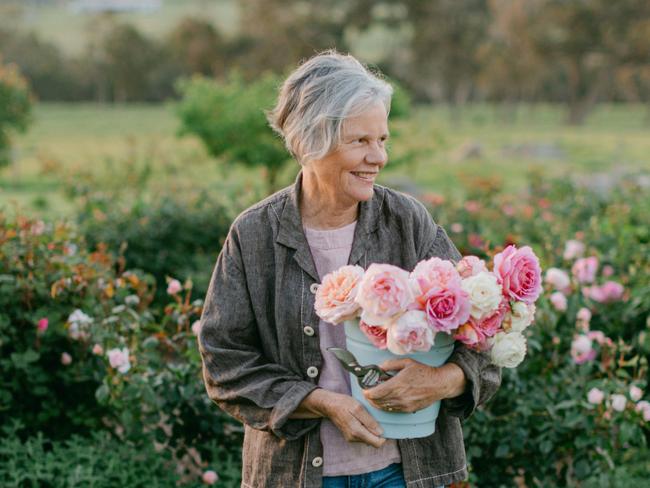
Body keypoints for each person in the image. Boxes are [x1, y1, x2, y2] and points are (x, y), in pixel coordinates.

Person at [198, 50, 501, 488]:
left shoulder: (408, 221)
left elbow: (483, 333)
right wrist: (321, 402)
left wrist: (442, 380)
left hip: (408, 472)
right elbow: (224, 363)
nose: (378, 157)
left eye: (382, 139)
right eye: (360, 141)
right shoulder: (254, 235)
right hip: (294, 476)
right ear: (313, 140)